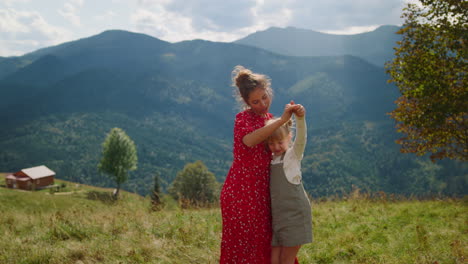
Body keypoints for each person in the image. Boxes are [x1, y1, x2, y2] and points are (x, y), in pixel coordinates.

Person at [220, 65, 300, 264]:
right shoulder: (242, 119)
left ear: (269, 91)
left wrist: (298, 115)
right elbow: (249, 140)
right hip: (241, 193)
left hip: (263, 192)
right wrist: (281, 120)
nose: (262, 104)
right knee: (246, 244)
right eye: (255, 101)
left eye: (264, 97)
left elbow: (288, 142)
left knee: (267, 241)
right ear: (246, 102)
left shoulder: (270, 120)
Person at [266, 106, 312, 264]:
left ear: (289, 137)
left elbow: (302, 138)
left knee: (287, 259)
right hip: (278, 218)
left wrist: (300, 118)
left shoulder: (293, 155)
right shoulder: (270, 159)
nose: (276, 147)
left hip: (295, 214)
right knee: (274, 259)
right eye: (271, 144)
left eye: (280, 142)